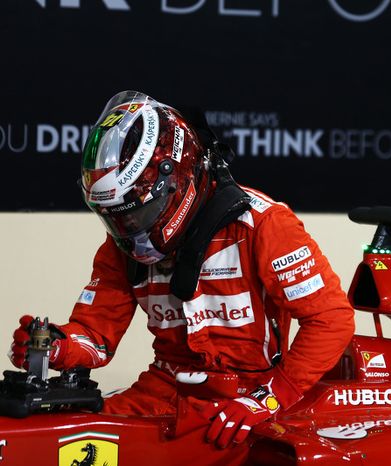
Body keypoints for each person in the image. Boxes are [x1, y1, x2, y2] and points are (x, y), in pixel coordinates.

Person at [9, 91, 355, 462]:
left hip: (249, 400)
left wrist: (270, 397)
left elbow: (331, 319)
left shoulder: (263, 225)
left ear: (177, 181)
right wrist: (57, 347)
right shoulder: (121, 246)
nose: (127, 228)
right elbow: (96, 338)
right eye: (115, 217)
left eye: (135, 213)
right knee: (61, 447)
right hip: (163, 390)